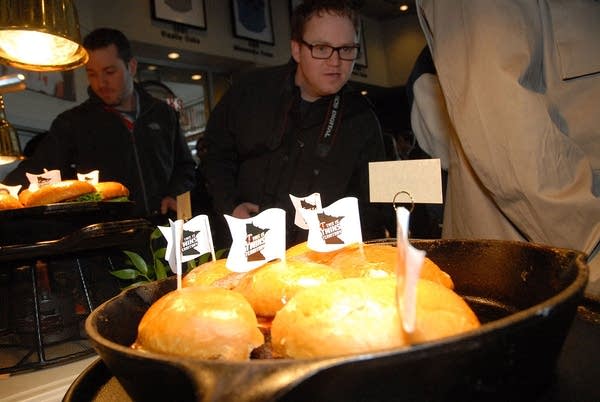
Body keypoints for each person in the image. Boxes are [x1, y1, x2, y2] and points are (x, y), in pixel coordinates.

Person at [413, 0, 600, 297]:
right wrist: (592, 247)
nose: (337, 61)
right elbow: (501, 130)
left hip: (546, 253)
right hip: (538, 266)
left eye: (347, 49)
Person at [203, 0, 389, 249]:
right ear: (296, 49)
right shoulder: (250, 91)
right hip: (240, 247)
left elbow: (371, 207)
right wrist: (230, 206)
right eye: (322, 48)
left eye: (346, 49)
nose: (336, 62)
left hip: (320, 262)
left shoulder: (362, 119)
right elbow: (214, 154)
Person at [4, 28, 196, 220]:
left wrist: (174, 193)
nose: (100, 82)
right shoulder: (72, 122)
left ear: (131, 67)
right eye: (92, 74)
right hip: (108, 236)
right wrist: (5, 190)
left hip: (164, 227)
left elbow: (185, 166)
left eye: (109, 72)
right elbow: (37, 169)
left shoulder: (163, 113)